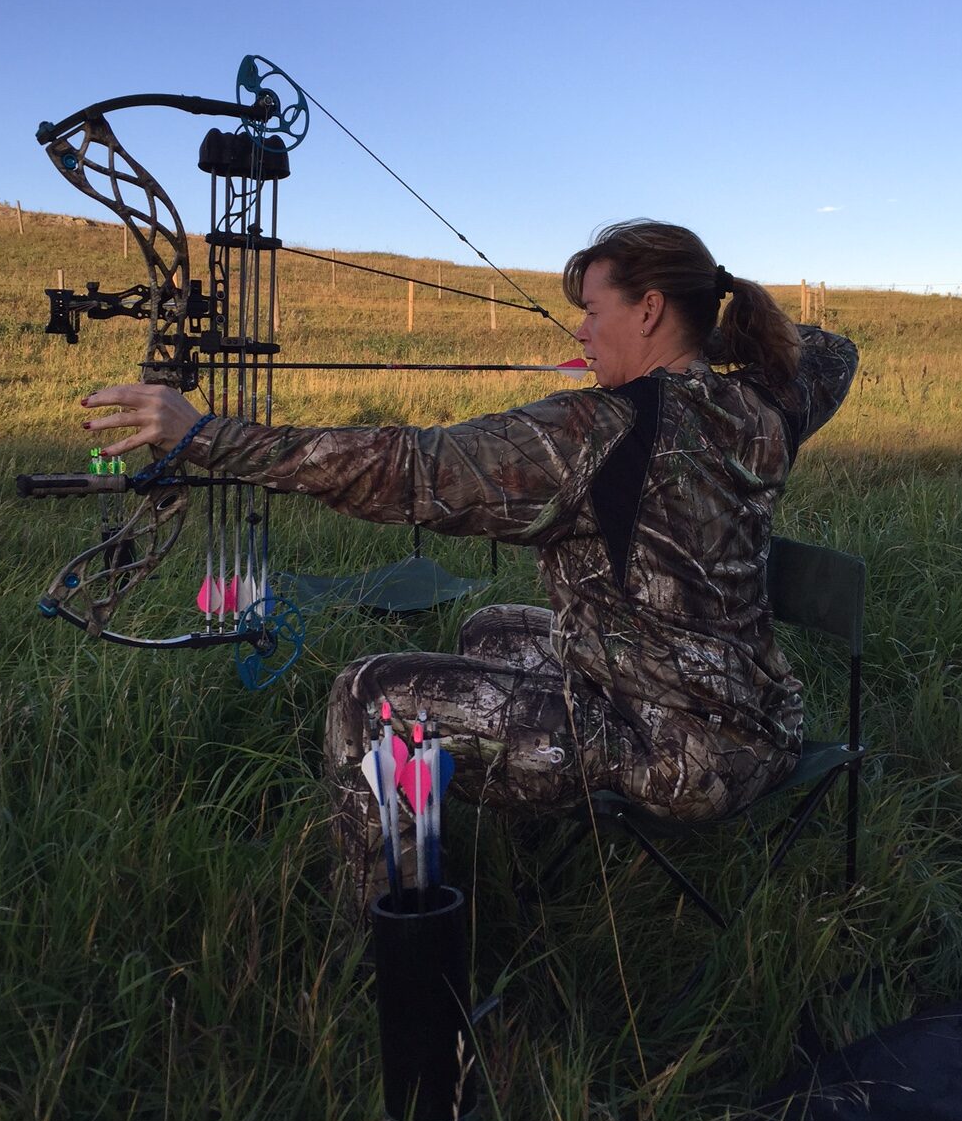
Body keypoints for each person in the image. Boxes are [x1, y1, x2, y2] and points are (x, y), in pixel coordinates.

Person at [84, 221, 858, 914]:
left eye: (594, 310)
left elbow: (410, 469)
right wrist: (713, 343)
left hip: (679, 755)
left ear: (649, 309)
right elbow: (833, 351)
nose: (583, 332)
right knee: (490, 628)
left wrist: (209, 436)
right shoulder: (768, 402)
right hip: (759, 722)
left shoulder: (601, 426)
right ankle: (498, 861)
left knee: (369, 696)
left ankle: (390, 952)